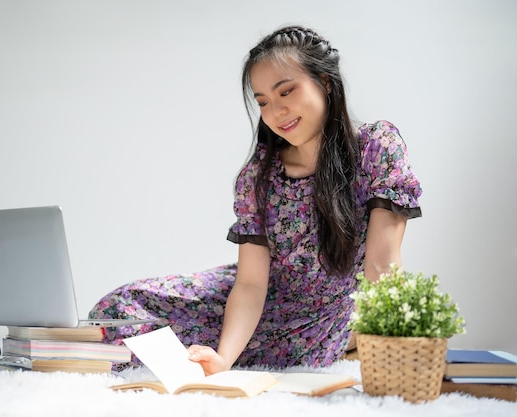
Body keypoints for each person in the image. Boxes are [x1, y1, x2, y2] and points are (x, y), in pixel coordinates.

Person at [88, 25, 422, 375]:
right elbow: (250, 283)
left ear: (325, 82)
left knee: (159, 349)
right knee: (118, 311)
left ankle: (341, 344)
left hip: (312, 325)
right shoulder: (259, 176)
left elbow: (382, 268)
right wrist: (223, 360)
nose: (276, 111)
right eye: (263, 101)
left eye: (286, 92)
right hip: (248, 304)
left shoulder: (375, 148)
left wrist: (392, 351)